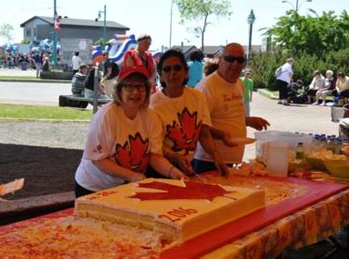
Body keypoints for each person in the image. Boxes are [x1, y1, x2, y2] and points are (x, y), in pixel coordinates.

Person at [74, 66, 186, 197]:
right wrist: (132, 176)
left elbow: (154, 156)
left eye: (140, 87)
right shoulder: (107, 115)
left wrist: (173, 172)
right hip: (94, 187)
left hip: (125, 186)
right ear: (120, 89)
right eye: (129, 86)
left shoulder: (151, 117)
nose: (135, 92)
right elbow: (98, 160)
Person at [150, 49, 229, 176]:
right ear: (160, 74)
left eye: (177, 68)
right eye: (167, 69)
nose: (172, 73)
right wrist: (175, 157)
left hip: (188, 165)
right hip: (161, 169)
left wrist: (215, 156)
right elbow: (153, 147)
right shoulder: (152, 105)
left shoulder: (197, 97)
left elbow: (203, 132)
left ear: (186, 72)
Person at [194, 43, 270, 173]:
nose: (235, 64)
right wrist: (221, 136)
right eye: (230, 59)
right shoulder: (208, 86)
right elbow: (198, 126)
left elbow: (227, 116)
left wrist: (248, 121)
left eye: (240, 60)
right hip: (209, 161)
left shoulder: (238, 83)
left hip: (231, 160)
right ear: (220, 59)